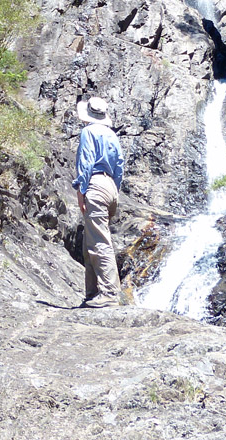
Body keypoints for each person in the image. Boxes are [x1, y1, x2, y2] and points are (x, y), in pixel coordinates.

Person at [73, 96, 124, 308]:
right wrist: (114, 192)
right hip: (110, 186)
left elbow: (85, 163)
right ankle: (92, 293)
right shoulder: (112, 135)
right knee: (90, 241)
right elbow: (119, 166)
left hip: (95, 185)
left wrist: (81, 192)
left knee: (99, 242)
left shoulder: (88, 132)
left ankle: (109, 293)